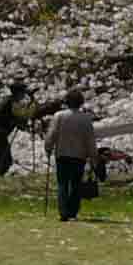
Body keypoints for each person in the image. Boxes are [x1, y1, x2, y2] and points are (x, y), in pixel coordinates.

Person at [44, 89, 98, 223]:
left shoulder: (59, 116)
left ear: (66, 102)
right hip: (79, 156)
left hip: (62, 154)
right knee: (75, 184)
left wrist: (48, 147)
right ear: (81, 102)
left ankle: (63, 212)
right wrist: (93, 156)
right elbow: (90, 140)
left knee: (62, 183)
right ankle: (73, 212)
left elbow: (52, 134)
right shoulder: (86, 119)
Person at [0, 82, 33, 175]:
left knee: (3, 159)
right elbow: (16, 118)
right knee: (4, 160)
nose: (24, 95)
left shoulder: (9, 101)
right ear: (18, 93)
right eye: (23, 93)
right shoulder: (11, 103)